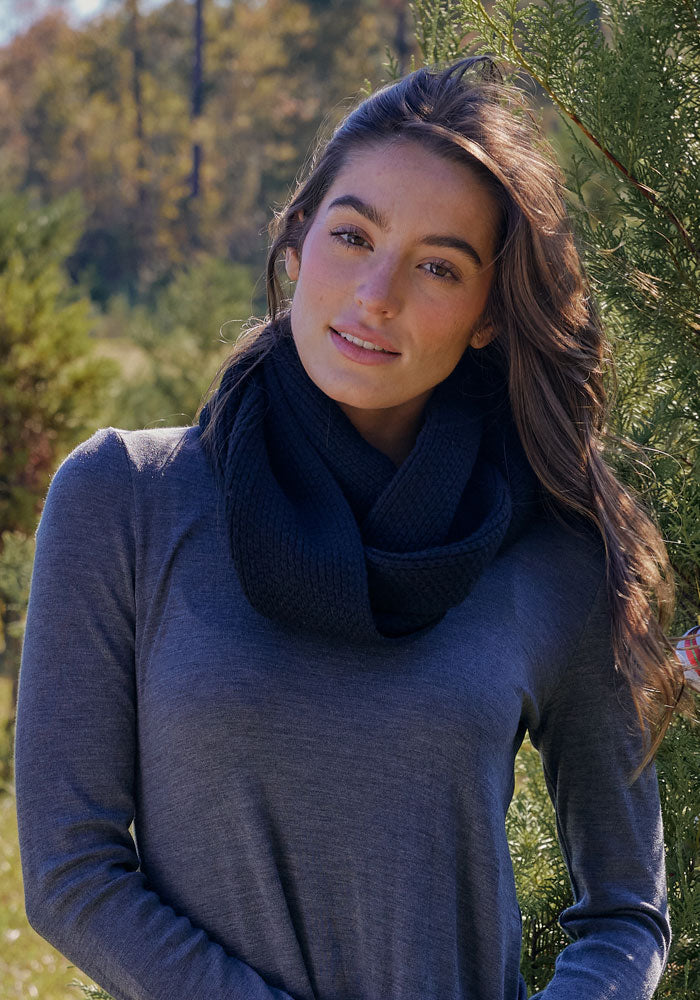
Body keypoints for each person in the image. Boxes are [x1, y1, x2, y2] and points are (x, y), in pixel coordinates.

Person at [14, 57, 689, 1000]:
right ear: (296, 243)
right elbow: (69, 871)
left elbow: (625, 909)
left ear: (490, 312)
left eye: (438, 265)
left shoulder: (552, 552)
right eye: (352, 236)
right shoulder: (125, 498)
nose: (377, 294)